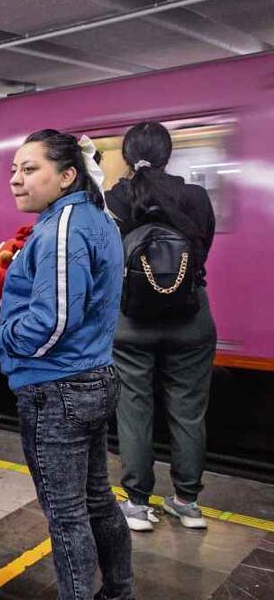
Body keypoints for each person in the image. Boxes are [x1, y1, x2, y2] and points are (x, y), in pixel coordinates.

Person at [0, 129, 132, 600]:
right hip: (94, 377)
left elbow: (50, 324)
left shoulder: (61, 228)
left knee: (65, 512)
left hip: (57, 389)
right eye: (13, 169)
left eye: (29, 169)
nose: (15, 180)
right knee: (97, 500)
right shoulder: (101, 219)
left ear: (67, 175)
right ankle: (118, 592)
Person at [106, 122, 217, 532]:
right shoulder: (196, 196)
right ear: (169, 154)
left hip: (130, 320)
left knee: (133, 410)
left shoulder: (114, 198)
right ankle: (187, 502)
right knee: (189, 413)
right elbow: (202, 252)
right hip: (191, 316)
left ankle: (137, 505)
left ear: (126, 154)